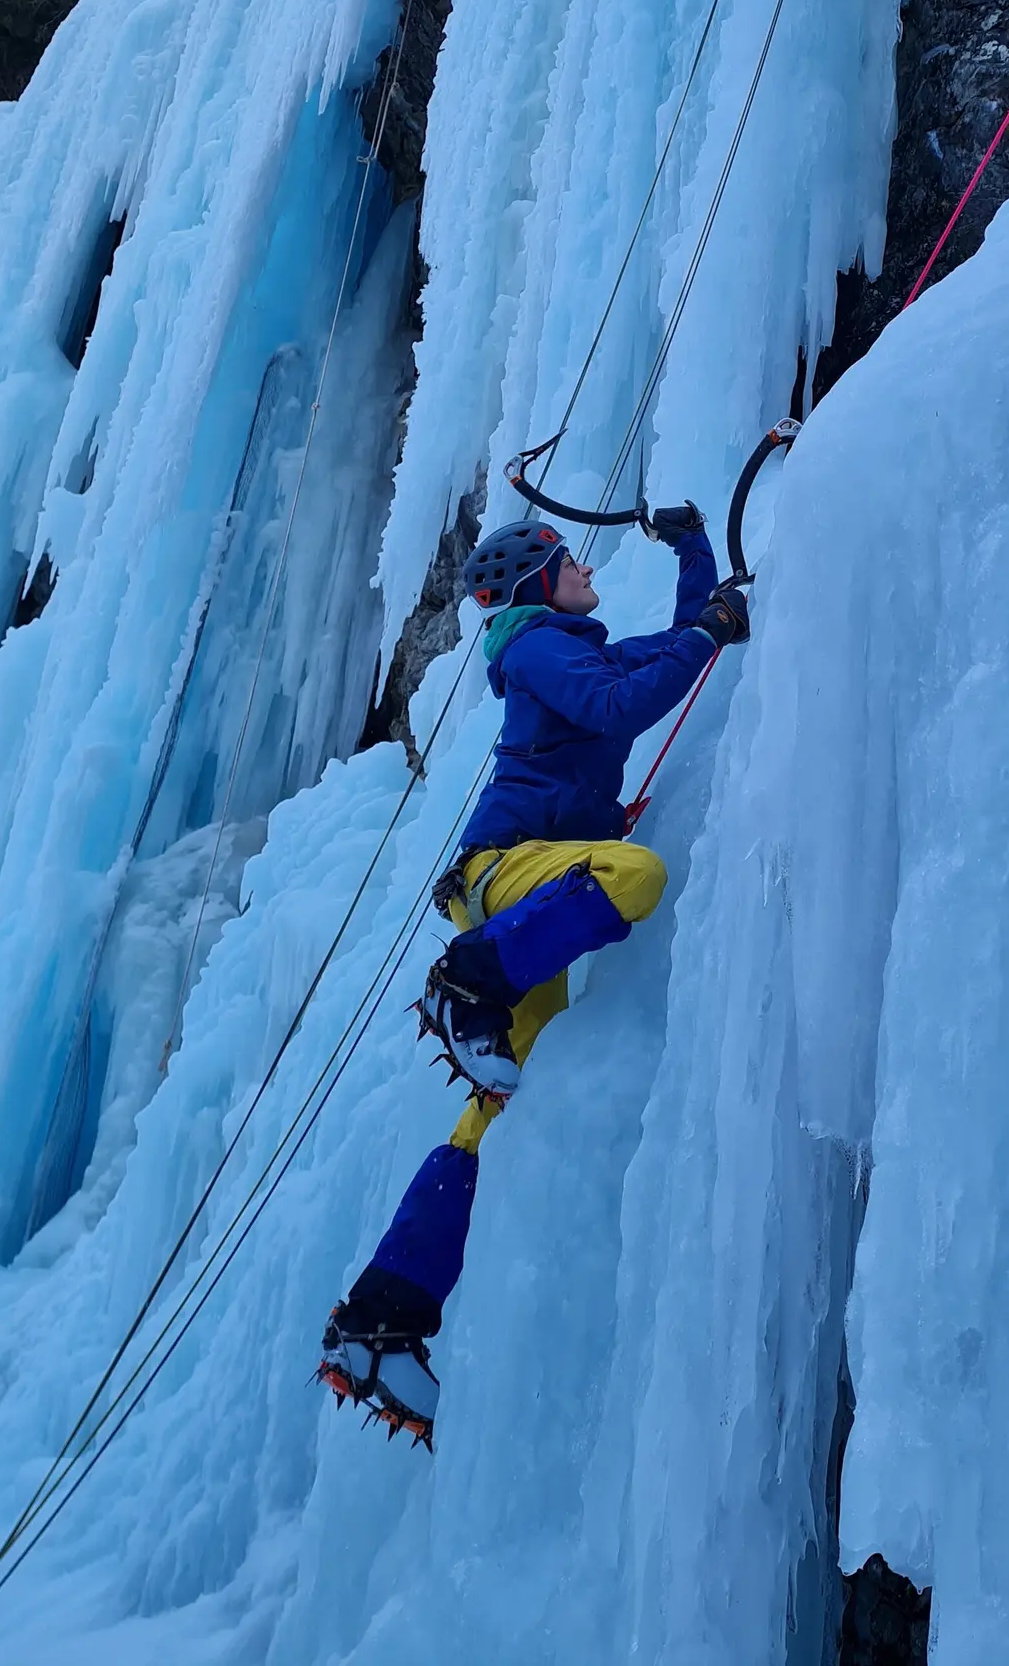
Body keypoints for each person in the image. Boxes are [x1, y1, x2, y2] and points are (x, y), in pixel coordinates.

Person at [318, 504, 749, 1444]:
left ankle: (384, 1316)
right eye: (566, 559)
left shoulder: (575, 648)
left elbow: (668, 654)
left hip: (526, 897)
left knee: (501, 1107)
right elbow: (619, 704)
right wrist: (709, 630)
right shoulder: (538, 643)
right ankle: (464, 979)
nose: (582, 566)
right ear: (533, 583)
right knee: (633, 875)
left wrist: (694, 555)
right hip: (507, 877)